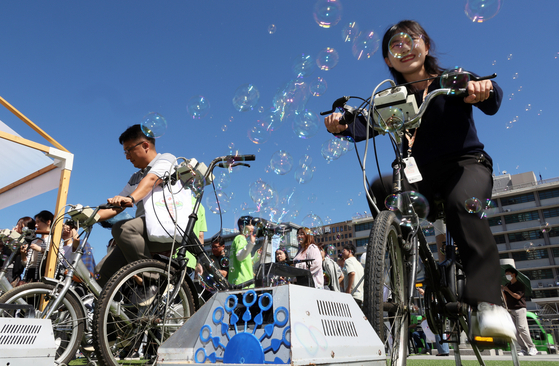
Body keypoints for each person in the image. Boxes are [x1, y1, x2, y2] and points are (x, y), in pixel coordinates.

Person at [324, 20, 515, 340]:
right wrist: (340, 123)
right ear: (388, 60)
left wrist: (483, 89)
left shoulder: (451, 80)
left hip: (465, 166)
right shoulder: (390, 98)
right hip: (420, 178)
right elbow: (361, 127)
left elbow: (492, 99)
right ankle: (403, 258)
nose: (405, 47)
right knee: (382, 188)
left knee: (460, 203)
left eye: (412, 40)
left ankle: (488, 302)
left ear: (426, 46)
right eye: (395, 45)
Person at [95, 124, 200, 286]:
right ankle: (114, 310)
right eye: (125, 152)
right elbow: (117, 207)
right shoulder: (135, 177)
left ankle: (152, 280)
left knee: (122, 229)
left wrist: (131, 198)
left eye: (128, 150)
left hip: (168, 228)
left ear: (145, 145)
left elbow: (151, 180)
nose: (127, 157)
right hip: (143, 234)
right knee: (104, 274)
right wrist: (89, 217)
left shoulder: (167, 159)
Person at [502, 268, 537, 356]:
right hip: (510, 309)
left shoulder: (520, 285)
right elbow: (506, 298)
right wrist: (503, 291)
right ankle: (523, 349)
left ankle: (532, 347)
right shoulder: (507, 285)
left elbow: (517, 296)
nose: (507, 276)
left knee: (521, 328)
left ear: (513, 274)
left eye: (508, 274)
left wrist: (507, 290)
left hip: (520, 309)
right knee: (515, 330)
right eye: (506, 274)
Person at [21, 211, 53, 282]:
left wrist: (41, 250)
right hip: (30, 276)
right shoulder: (34, 241)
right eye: (36, 223)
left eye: (38, 222)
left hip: (45, 275)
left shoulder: (53, 240)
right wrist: (23, 254)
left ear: (48, 222)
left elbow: (55, 259)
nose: (36, 225)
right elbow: (27, 264)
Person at [228, 216, 257, 288]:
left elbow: (245, 261)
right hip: (242, 284)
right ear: (242, 227)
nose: (252, 227)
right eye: (250, 225)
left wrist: (258, 254)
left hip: (239, 283)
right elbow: (240, 257)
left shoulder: (239, 240)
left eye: (253, 225)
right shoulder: (240, 238)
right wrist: (251, 243)